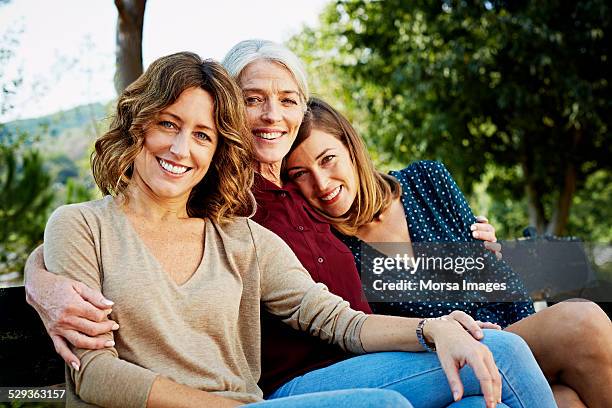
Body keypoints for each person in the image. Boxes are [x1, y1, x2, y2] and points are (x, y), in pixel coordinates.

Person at [25, 42, 557, 408]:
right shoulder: (83, 225)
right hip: (249, 399)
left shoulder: (244, 234)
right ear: (137, 125)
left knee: (498, 353)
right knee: (384, 404)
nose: (182, 148)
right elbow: (90, 373)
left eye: (204, 136)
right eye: (168, 125)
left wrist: (434, 326)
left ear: (218, 149)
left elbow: (333, 317)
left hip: (278, 394)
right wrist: (39, 276)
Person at [284, 97, 612, 408]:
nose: (322, 183)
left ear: (351, 149)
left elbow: (494, 277)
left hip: (508, 339)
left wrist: (531, 342)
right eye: (301, 174)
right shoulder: (329, 248)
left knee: (576, 351)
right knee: (575, 346)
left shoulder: (427, 181)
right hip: (441, 367)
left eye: (328, 159)